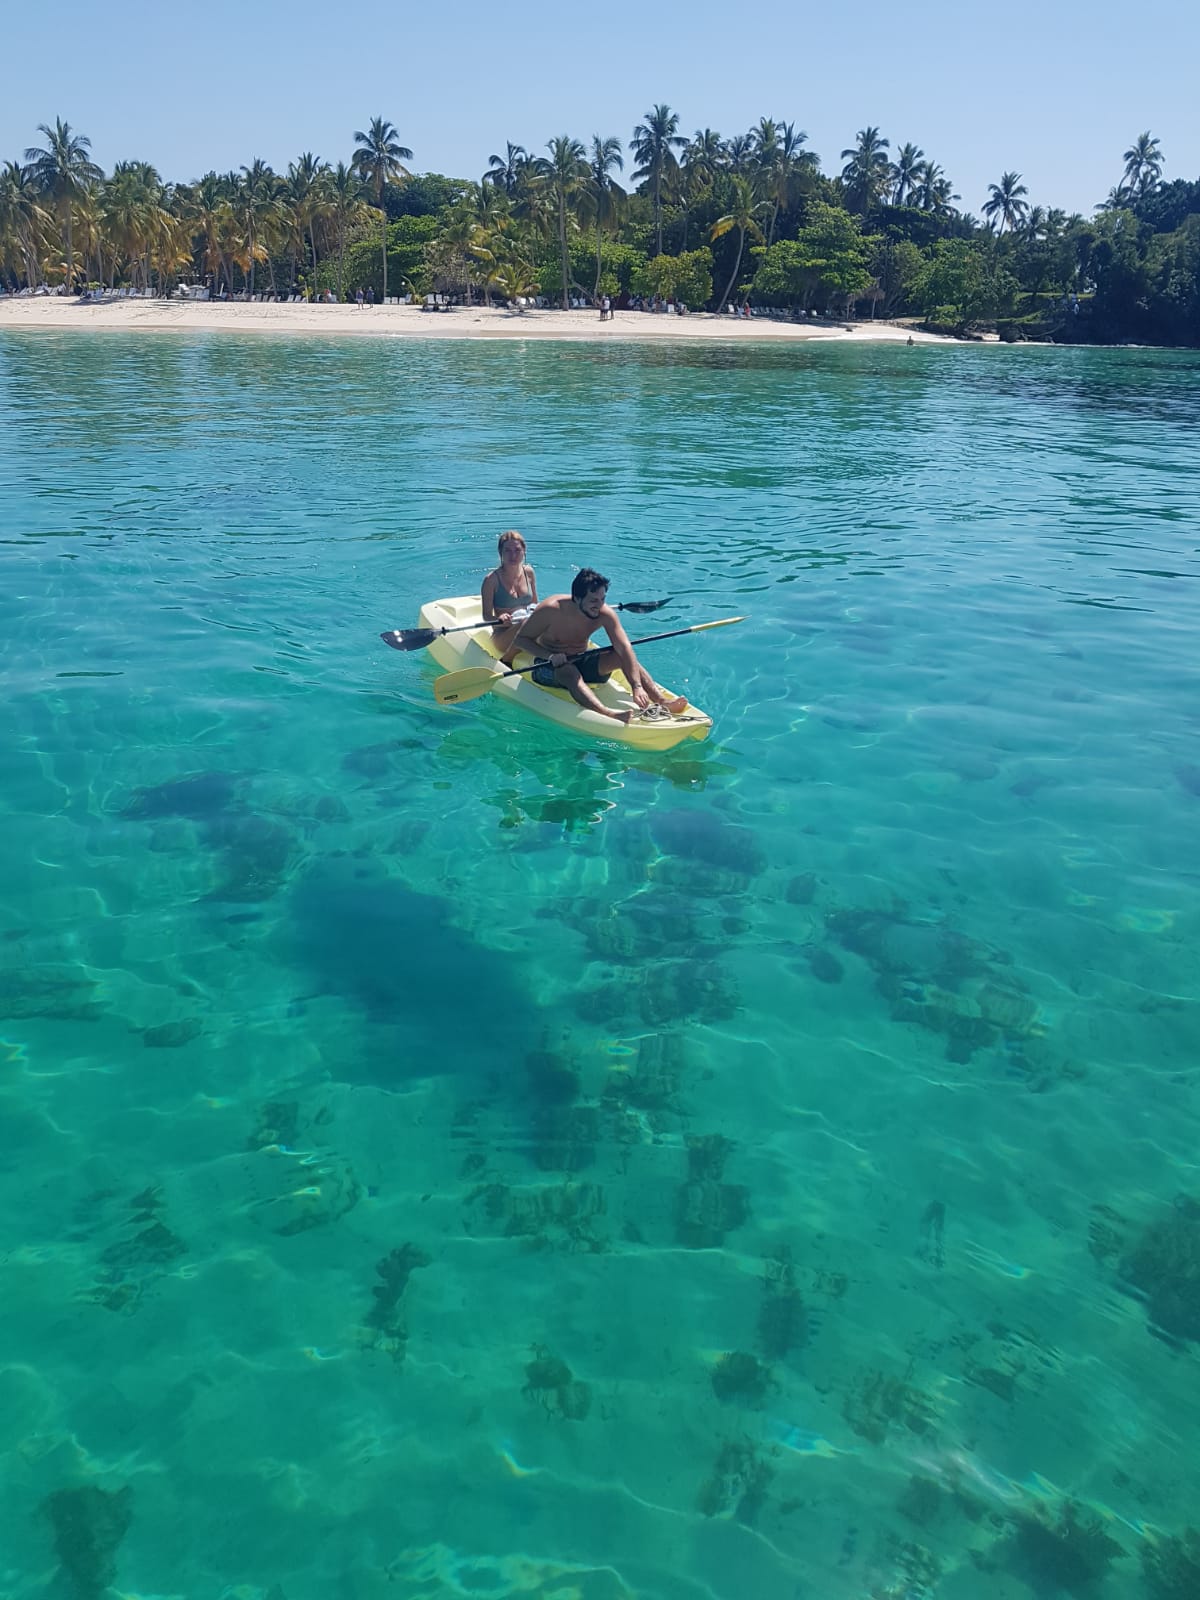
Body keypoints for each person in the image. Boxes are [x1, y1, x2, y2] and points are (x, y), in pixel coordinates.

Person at [509, 569, 687, 725]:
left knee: (619, 655)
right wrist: (549, 656)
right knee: (569, 671)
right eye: (593, 600)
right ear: (577, 598)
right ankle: (606, 713)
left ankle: (661, 700)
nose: (599, 605)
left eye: (603, 599)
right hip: (549, 666)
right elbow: (521, 640)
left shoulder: (604, 614)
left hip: (581, 658)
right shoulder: (551, 609)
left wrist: (636, 686)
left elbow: (625, 648)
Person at [481, 530, 538, 663]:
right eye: (508, 550)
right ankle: (507, 660)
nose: (513, 555)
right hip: (504, 635)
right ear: (501, 552)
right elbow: (486, 616)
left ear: (524, 551)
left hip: (529, 629)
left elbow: (535, 604)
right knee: (526, 623)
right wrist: (499, 619)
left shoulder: (529, 572)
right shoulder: (491, 580)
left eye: (517, 550)